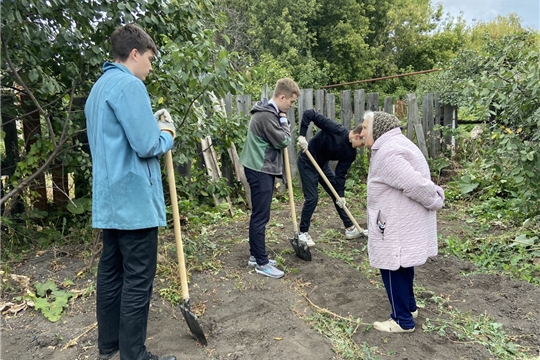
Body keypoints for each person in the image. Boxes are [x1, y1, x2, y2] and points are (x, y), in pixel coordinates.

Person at [84, 24, 177, 360]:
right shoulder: (129, 85)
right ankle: (134, 355)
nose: (151, 67)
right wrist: (167, 132)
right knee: (138, 280)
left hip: (110, 201)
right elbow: (147, 143)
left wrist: (150, 122)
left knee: (111, 272)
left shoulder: (99, 88)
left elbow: (117, 139)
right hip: (134, 202)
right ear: (134, 54)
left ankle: (109, 346)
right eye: (150, 59)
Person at [359, 111, 445, 333]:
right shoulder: (396, 144)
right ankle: (409, 307)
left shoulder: (388, 153)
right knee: (403, 263)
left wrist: (436, 198)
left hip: (394, 223)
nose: (361, 132)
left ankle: (402, 320)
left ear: (377, 128)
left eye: (365, 127)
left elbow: (414, 184)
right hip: (397, 218)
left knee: (390, 265)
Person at [239, 78, 300, 279]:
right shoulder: (267, 116)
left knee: (259, 214)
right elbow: (284, 140)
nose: (290, 107)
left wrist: (282, 118)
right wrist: (283, 120)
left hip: (261, 167)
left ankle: (255, 256)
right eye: (291, 102)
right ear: (282, 97)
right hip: (259, 168)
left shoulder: (269, 112)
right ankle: (261, 263)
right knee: (261, 216)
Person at [296, 110, 367, 247]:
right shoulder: (335, 129)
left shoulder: (350, 153)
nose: (362, 147)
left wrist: (341, 195)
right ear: (357, 136)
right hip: (307, 162)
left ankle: (350, 229)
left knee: (337, 196)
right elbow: (309, 114)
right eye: (362, 144)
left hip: (322, 165)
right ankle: (302, 233)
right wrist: (302, 136)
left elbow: (340, 175)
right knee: (312, 198)